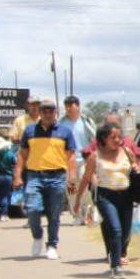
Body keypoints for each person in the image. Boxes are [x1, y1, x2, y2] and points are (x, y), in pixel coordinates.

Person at [12, 98, 77, 259]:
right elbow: (22, 156)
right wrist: (17, 176)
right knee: (32, 209)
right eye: (44, 111)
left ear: (56, 113)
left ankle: (52, 244)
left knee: (54, 214)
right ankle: (37, 236)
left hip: (57, 176)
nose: (47, 114)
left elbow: (71, 157)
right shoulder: (29, 131)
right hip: (35, 176)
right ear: (39, 113)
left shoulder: (65, 132)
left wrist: (72, 178)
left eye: (51, 111)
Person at [74, 123, 140, 279]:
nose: (118, 140)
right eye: (113, 137)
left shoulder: (127, 152)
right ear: (103, 139)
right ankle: (116, 266)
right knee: (115, 229)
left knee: (124, 232)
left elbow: (135, 165)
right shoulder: (95, 156)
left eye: (119, 136)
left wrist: (136, 168)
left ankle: (117, 253)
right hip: (105, 197)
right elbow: (85, 179)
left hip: (126, 196)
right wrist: (76, 201)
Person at [61, 95, 96, 225]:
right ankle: (77, 215)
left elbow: (94, 140)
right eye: (67, 106)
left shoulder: (86, 121)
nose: (69, 108)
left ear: (78, 106)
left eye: (71, 105)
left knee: (84, 187)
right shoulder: (61, 123)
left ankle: (88, 213)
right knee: (71, 189)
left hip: (84, 160)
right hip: (67, 161)